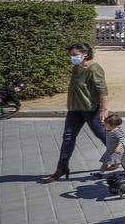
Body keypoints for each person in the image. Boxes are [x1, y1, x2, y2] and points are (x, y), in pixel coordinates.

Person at [43, 43, 108, 182]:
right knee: (68, 138)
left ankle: (124, 158)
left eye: (74, 55)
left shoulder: (94, 69)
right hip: (74, 110)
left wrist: (103, 109)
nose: (72, 58)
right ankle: (61, 169)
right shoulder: (75, 68)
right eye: (71, 55)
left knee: (102, 134)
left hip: (91, 109)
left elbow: (103, 91)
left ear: (85, 54)